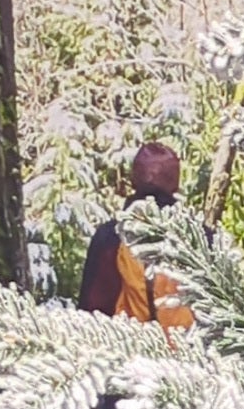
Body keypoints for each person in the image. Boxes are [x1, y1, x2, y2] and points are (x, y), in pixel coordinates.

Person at [77, 138, 191, 327]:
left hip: (126, 350)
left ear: (133, 180)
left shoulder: (110, 238)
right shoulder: (200, 238)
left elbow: (91, 312)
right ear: (175, 184)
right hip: (190, 352)